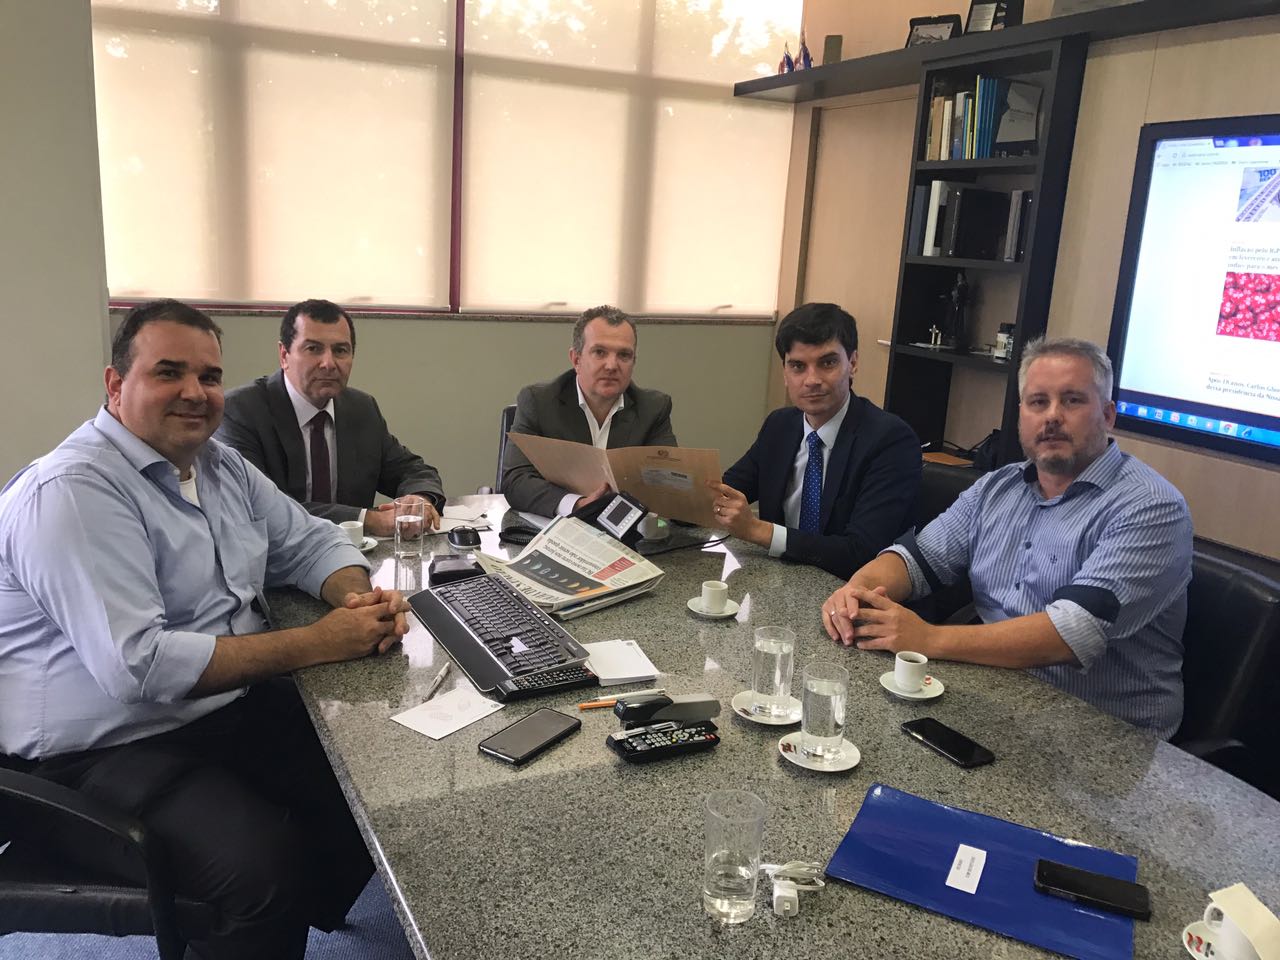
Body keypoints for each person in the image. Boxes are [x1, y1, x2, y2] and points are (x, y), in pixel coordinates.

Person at [0, 300, 412, 959]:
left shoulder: (219, 466)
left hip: (214, 711)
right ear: (116, 385)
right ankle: (267, 915)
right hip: (95, 754)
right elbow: (140, 667)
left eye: (210, 376)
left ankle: (301, 915)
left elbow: (309, 541)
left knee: (378, 772)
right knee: (263, 871)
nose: (194, 392)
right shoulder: (73, 492)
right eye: (169, 372)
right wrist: (321, 641)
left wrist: (357, 600)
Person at [821, 336, 1193, 739]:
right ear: (1021, 416)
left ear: (1107, 415)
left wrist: (927, 637)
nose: (1052, 416)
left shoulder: (1151, 507)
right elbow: (917, 560)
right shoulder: (997, 487)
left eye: (1072, 401)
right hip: (996, 702)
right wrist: (858, 590)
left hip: (1106, 735)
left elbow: (1071, 634)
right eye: (1038, 402)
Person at [709, 303, 921, 580]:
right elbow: (724, 491)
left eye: (827, 363)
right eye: (798, 366)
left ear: (852, 363)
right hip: (779, 582)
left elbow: (862, 552)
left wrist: (757, 530)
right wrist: (673, 487)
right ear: (785, 372)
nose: (812, 380)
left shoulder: (890, 440)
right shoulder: (780, 426)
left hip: (851, 591)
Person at [216, 298, 444, 537]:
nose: (328, 363)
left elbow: (411, 469)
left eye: (340, 350)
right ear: (284, 355)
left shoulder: (361, 408)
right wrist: (368, 520)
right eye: (313, 349)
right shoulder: (240, 411)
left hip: (354, 553)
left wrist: (419, 499)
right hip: (273, 555)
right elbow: (263, 506)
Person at [502, 305, 677, 517]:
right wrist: (577, 505)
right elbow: (515, 480)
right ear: (576, 359)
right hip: (558, 527)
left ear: (633, 362)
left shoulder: (653, 408)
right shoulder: (539, 402)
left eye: (624, 355)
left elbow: (668, 484)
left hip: (625, 525)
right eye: (599, 352)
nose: (612, 365)